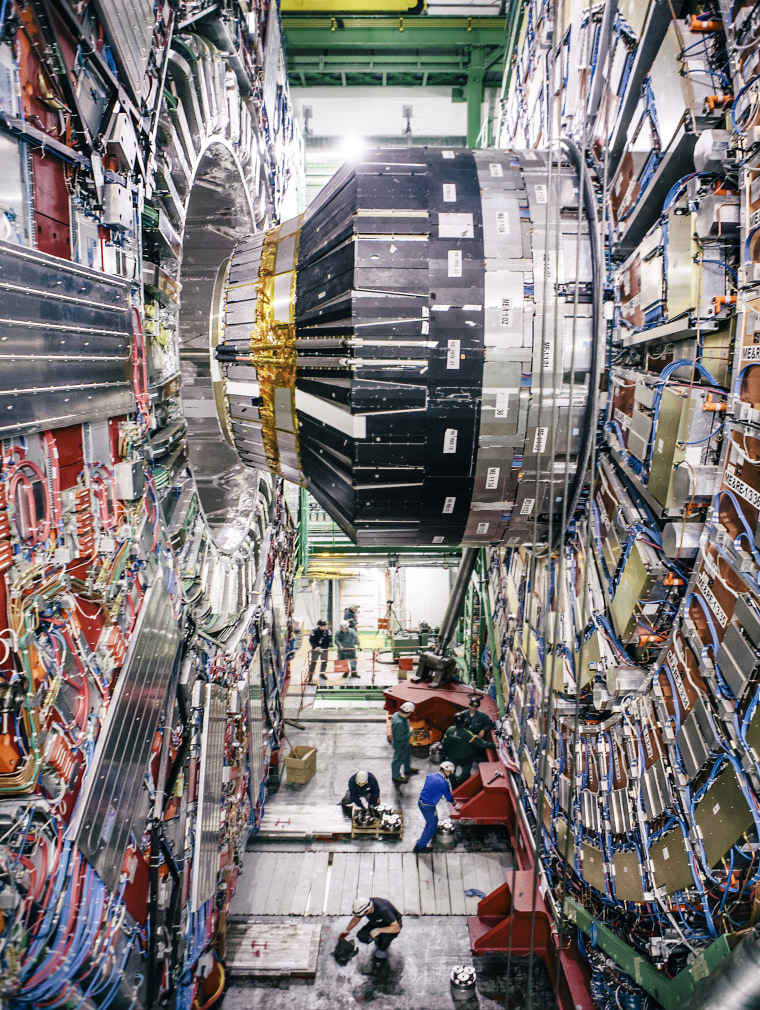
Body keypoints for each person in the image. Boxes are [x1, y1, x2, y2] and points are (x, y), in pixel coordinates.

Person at [413, 761, 460, 853]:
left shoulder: (431, 775)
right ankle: (420, 847)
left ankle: (428, 836)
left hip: (421, 802)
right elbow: (449, 797)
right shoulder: (443, 783)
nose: (450, 774)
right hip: (428, 806)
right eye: (450, 772)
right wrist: (455, 804)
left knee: (433, 820)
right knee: (431, 825)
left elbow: (431, 787)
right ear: (447, 771)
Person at [339, 896, 402, 962]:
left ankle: (382, 946)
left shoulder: (384, 909)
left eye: (364, 913)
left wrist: (379, 930)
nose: (363, 915)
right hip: (376, 921)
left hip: (391, 925)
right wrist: (347, 930)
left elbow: (396, 928)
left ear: (369, 909)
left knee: (383, 944)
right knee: (362, 936)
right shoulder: (365, 905)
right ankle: (377, 939)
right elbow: (356, 918)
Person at [442, 710, 495, 787]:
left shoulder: (449, 730)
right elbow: (481, 743)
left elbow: (444, 743)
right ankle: (461, 782)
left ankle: (454, 786)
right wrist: (493, 745)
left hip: (451, 756)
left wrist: (445, 751)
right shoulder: (467, 734)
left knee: (451, 770)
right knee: (466, 769)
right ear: (464, 722)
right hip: (465, 757)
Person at [391, 701, 419, 783]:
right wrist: (410, 732)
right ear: (409, 712)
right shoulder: (399, 723)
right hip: (400, 744)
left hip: (405, 743)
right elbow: (399, 737)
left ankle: (407, 769)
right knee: (398, 760)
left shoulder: (396, 714)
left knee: (407, 756)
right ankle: (396, 776)